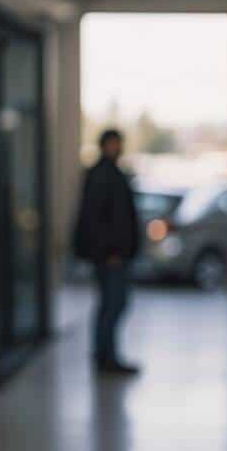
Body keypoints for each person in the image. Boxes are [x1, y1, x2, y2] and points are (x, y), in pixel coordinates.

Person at [74, 129, 141, 375]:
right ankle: (106, 357)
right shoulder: (103, 175)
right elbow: (97, 220)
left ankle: (105, 355)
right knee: (113, 303)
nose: (117, 147)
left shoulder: (111, 173)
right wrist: (110, 251)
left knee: (111, 304)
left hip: (115, 254)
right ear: (105, 145)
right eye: (114, 143)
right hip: (110, 255)